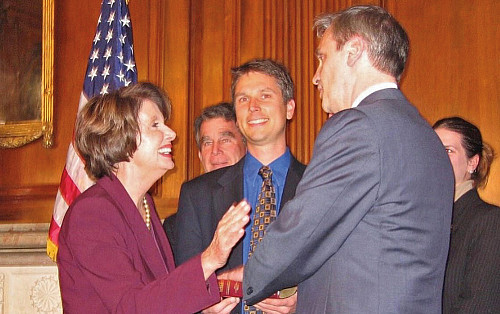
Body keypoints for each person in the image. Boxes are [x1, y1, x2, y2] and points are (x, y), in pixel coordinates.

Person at [242, 5, 454, 313]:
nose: (316, 77)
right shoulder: (428, 139)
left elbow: (303, 230)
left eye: (323, 58)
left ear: (354, 50)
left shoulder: (359, 126)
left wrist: (243, 279)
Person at [57, 82, 250, 313]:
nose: (172, 133)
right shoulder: (92, 213)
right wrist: (210, 258)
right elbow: (129, 307)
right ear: (122, 140)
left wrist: (207, 303)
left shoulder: (144, 205)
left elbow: (156, 297)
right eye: (155, 125)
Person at [175, 59, 306, 314]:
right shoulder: (197, 195)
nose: (253, 107)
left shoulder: (320, 186)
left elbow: (340, 277)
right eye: (243, 99)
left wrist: (305, 301)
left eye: (264, 96)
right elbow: (180, 289)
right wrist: (203, 307)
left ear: (289, 108)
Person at [433, 117, 500, 313]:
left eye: (448, 150)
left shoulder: (489, 221)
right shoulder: (425, 218)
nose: (437, 157)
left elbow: (479, 304)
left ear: (473, 162)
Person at [163, 102, 246, 250]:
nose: (215, 150)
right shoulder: (174, 229)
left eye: (225, 140)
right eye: (207, 143)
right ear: (200, 156)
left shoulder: (263, 208)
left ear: (246, 148)